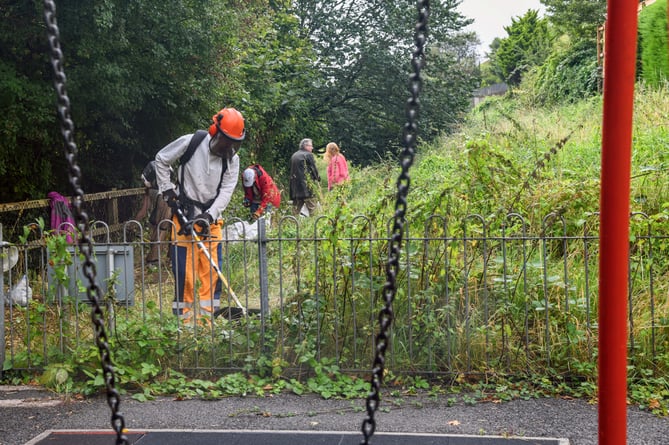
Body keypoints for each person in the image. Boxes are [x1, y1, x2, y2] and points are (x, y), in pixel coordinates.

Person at [153, 107, 245, 323]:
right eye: (226, 141)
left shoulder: (232, 159)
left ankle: (207, 321)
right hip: (183, 214)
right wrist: (167, 190)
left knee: (212, 273)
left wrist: (209, 215)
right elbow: (161, 159)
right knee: (184, 274)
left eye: (234, 142)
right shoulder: (191, 143)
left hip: (210, 220)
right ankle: (182, 322)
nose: (229, 147)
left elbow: (226, 191)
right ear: (215, 132)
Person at [134, 161, 172, 264]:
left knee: (161, 228)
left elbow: (144, 209)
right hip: (168, 197)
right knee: (161, 227)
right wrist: (134, 223)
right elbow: (144, 209)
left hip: (166, 199)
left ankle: (154, 258)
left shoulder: (156, 189)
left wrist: (133, 224)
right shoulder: (154, 188)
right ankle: (167, 257)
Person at [289, 138, 321, 216]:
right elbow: (313, 169)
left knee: (295, 211)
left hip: (295, 188)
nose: (312, 148)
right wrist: (317, 178)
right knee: (313, 210)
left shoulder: (294, 155)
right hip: (306, 188)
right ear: (306, 146)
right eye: (311, 146)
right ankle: (315, 226)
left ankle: (292, 226)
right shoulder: (308, 155)